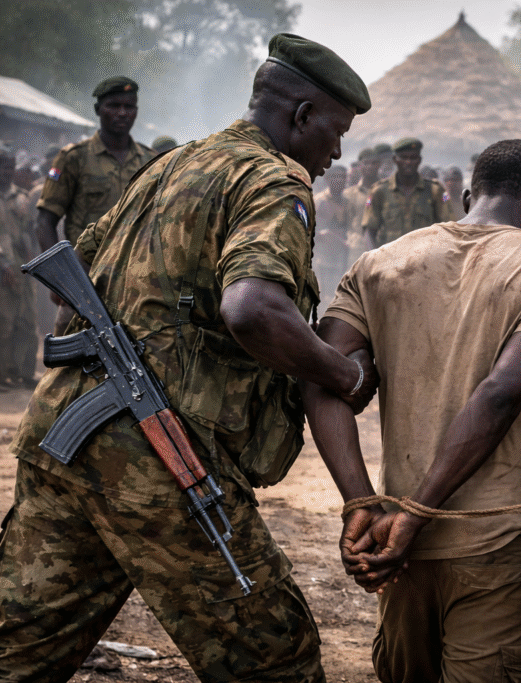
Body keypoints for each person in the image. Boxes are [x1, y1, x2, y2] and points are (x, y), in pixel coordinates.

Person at [0, 33, 374, 683]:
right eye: (336, 133)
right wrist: (345, 372)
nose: (337, 153)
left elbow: (73, 292)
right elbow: (253, 307)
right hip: (157, 456)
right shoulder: (272, 178)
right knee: (273, 655)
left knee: (19, 647)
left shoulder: (169, 167)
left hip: (63, 437)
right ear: (302, 116)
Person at [304, 139, 521, 682]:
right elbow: (500, 393)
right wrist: (419, 514)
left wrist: (361, 503)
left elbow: (322, 374)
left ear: (465, 198)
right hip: (496, 542)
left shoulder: (378, 265)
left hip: (395, 547)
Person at [36, 76, 155, 333]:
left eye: (129, 106)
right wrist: (61, 280)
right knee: (69, 365)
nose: (122, 113)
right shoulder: (74, 158)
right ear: (98, 109)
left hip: (138, 289)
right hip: (84, 284)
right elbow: (45, 221)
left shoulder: (151, 161)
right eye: (114, 105)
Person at [361, 137, 451, 246]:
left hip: (424, 259)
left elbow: (448, 228)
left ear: (419, 160)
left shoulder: (435, 191)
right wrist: (374, 257)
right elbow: (369, 231)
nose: (408, 162)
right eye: (403, 157)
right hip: (389, 259)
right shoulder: (379, 191)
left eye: (413, 158)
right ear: (395, 160)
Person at [0, 144, 37, 389]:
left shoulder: (21, 197)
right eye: (3, 167)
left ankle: (23, 372)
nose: (7, 172)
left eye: (10, 167)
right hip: (3, 267)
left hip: (20, 267)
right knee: (3, 322)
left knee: (26, 320)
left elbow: (27, 232)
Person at [313, 163, 351, 286]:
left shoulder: (347, 201)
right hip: (322, 255)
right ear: (327, 179)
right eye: (335, 176)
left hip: (342, 254)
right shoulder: (318, 201)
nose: (339, 180)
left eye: (342, 177)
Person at [340, 147, 379, 261]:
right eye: (366, 163)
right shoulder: (348, 194)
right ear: (359, 165)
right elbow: (344, 222)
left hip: (382, 245)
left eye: (374, 163)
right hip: (357, 249)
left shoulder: (387, 190)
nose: (370, 166)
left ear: (379, 165)